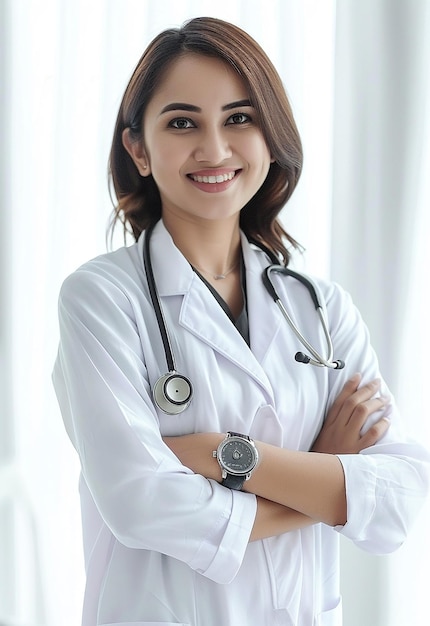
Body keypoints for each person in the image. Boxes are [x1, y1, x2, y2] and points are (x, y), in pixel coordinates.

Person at [52, 16, 430, 626]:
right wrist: (327, 481)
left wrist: (226, 455)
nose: (215, 149)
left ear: (269, 136)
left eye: (238, 118)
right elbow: (140, 503)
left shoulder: (321, 308)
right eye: (182, 123)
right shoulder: (101, 298)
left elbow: (401, 499)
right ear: (139, 150)